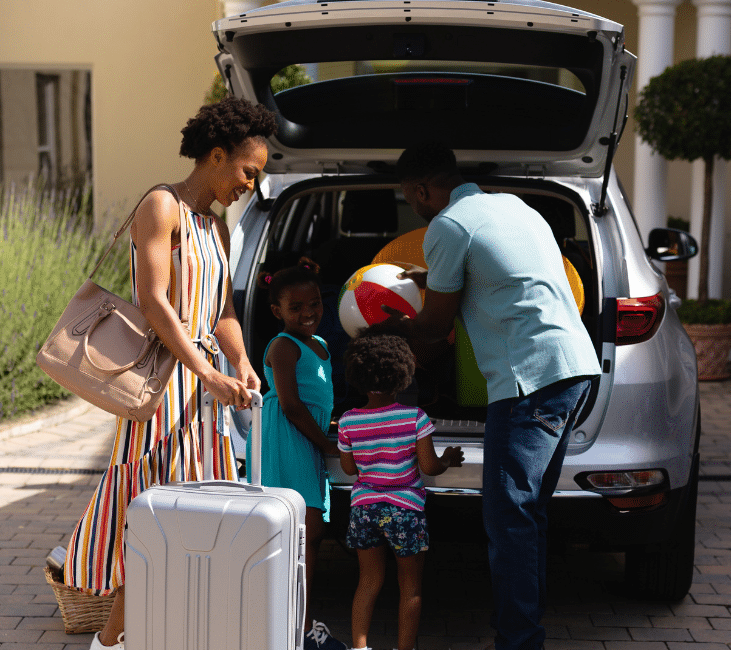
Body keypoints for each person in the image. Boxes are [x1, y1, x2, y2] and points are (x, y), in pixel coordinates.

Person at [63, 97, 274, 650]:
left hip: (203, 396)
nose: (251, 186)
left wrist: (244, 365)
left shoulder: (215, 228)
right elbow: (155, 304)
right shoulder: (162, 206)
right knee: (151, 516)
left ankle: (159, 633)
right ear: (216, 154)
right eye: (249, 172)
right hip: (161, 388)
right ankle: (110, 641)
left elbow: (221, 311)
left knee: (194, 519)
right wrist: (207, 372)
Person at [384, 142, 601, 650]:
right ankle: (522, 633)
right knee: (527, 516)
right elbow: (497, 278)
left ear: (421, 190)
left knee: (508, 518)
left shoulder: (448, 226)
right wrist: (428, 281)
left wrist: (386, 331)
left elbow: (437, 324)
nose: (413, 207)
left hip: (530, 381)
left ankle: (518, 641)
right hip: (574, 368)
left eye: (409, 197)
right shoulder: (512, 207)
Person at [336, 331, 464, 650]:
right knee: (410, 586)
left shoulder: (348, 421)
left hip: (364, 509)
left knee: (368, 581)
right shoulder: (415, 418)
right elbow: (429, 467)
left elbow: (350, 469)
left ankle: (360, 646)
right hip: (404, 510)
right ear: (403, 376)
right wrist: (447, 459)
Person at [251, 258, 348, 650]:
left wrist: (331, 431)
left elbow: (315, 399)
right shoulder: (283, 346)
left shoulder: (320, 345)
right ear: (277, 312)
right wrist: (326, 445)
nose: (308, 314)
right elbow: (291, 404)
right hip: (289, 439)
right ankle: (297, 630)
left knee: (310, 531)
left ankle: (297, 626)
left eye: (314, 306)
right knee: (302, 533)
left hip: (307, 439)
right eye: (296, 308)